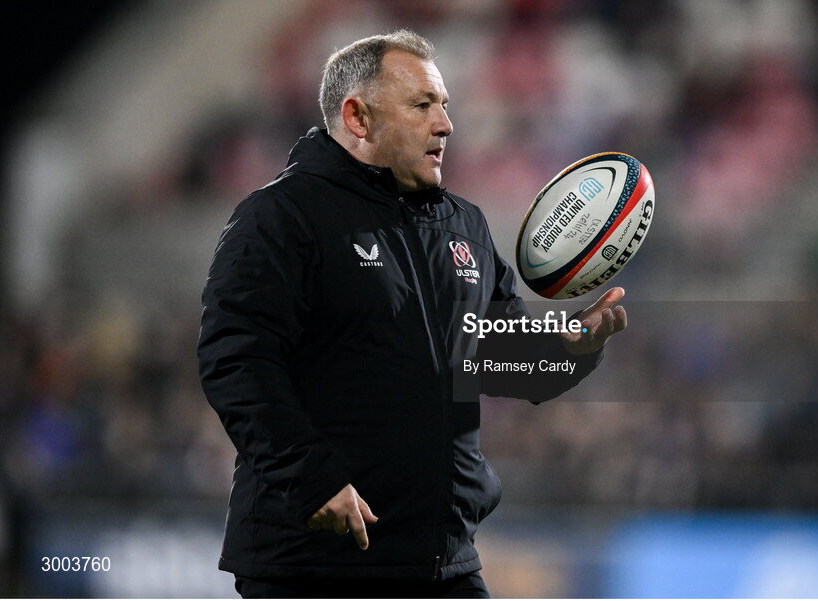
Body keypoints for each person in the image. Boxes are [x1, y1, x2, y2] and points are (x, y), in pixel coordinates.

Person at [197, 29, 628, 599]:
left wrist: (571, 346)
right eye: (423, 105)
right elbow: (237, 361)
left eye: (445, 105)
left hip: (441, 563)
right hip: (313, 562)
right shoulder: (281, 218)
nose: (446, 124)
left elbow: (496, 357)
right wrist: (311, 481)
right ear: (358, 117)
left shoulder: (464, 226)